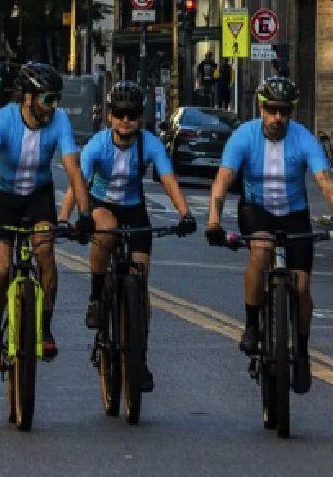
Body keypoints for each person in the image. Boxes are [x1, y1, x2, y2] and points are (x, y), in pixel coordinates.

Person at [0, 63, 93, 376]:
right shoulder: (2, 120)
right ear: (28, 98)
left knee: (45, 254)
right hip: (1, 198)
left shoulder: (59, 122)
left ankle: (44, 328)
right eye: (47, 99)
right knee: (2, 270)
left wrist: (84, 214)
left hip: (37, 198)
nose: (53, 106)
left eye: (56, 99)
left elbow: (73, 170)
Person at [59, 81, 196, 392]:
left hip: (135, 210)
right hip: (101, 205)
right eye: (119, 115)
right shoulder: (97, 145)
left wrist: (185, 214)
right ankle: (96, 296)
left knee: (141, 283)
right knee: (105, 229)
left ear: (140, 118)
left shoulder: (150, 144)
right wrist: (64, 220)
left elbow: (168, 179)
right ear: (110, 117)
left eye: (132, 116)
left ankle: (139, 357)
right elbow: (77, 183)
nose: (125, 122)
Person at [205, 77, 333, 394]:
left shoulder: (304, 139)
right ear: (261, 108)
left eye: (284, 111)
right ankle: (251, 325)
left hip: (294, 213)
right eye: (272, 110)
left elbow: (324, 181)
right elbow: (223, 180)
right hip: (257, 209)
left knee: (301, 286)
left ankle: (301, 353)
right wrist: (213, 220)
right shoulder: (243, 137)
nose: (278, 118)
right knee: (261, 249)